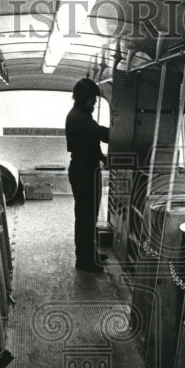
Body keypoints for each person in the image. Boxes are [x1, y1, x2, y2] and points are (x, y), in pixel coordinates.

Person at [66, 77, 109, 273]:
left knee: (88, 216)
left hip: (87, 168)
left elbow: (92, 142)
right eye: (93, 98)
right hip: (83, 172)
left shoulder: (82, 114)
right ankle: (84, 260)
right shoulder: (78, 118)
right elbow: (101, 134)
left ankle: (89, 254)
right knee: (85, 217)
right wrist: (122, 131)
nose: (95, 102)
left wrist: (102, 157)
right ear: (85, 98)